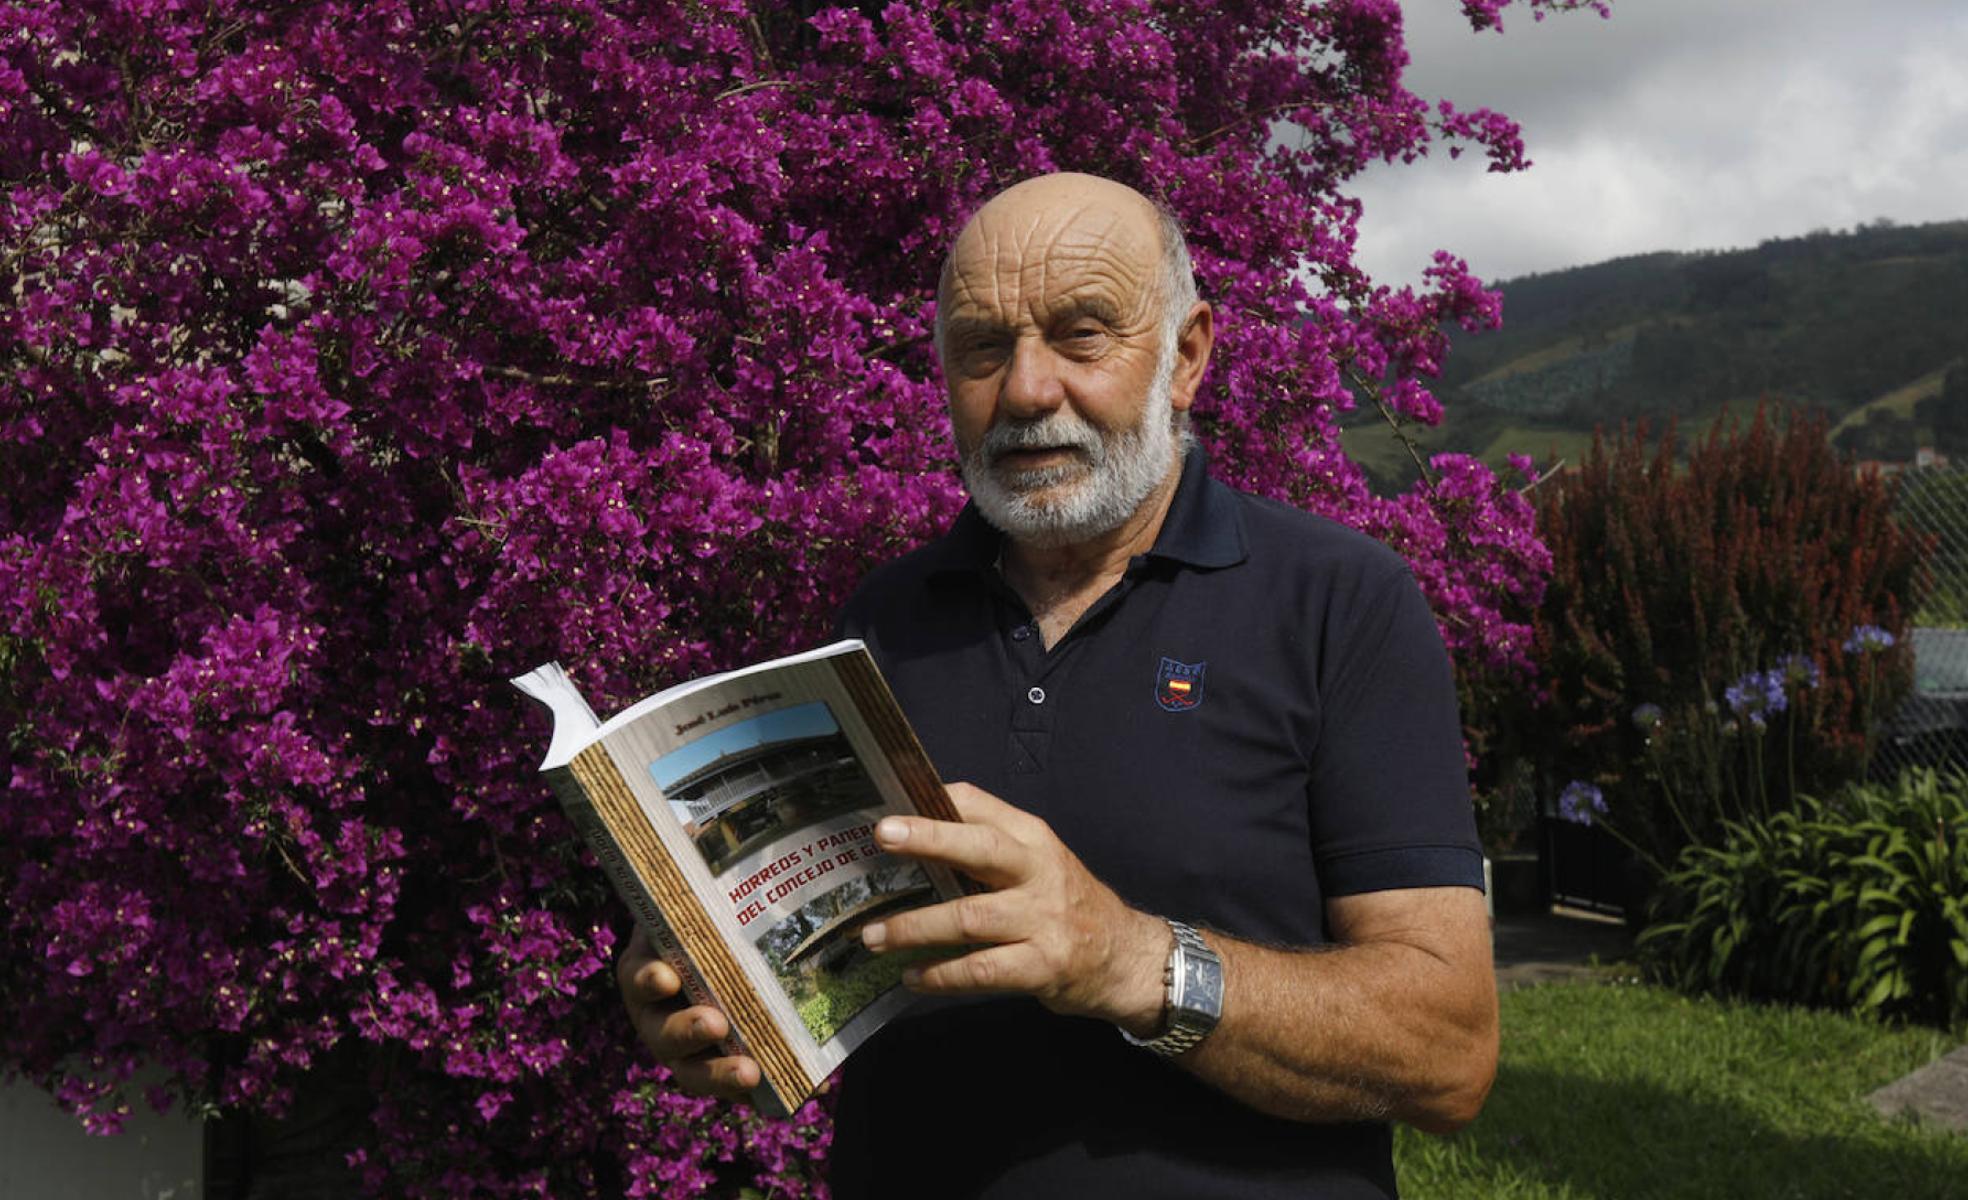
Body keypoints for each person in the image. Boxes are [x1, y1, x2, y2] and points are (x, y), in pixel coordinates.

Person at [618, 172, 1497, 1198]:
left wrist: (1127, 962)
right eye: (983, 348)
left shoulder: (1342, 605)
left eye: (1082, 335)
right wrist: (714, 995)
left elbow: (1448, 1053)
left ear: (1188, 357)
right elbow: (838, 967)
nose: (1028, 390)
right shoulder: (883, 623)